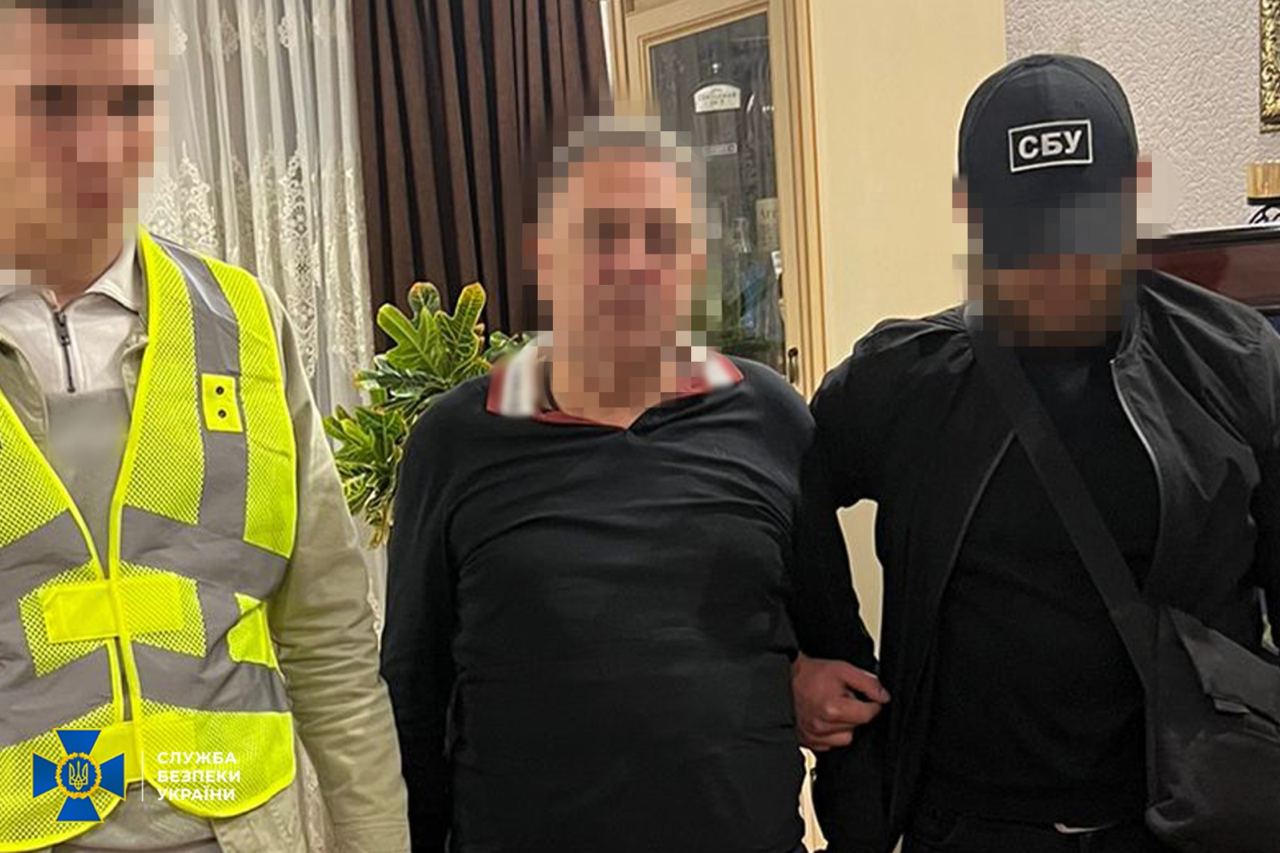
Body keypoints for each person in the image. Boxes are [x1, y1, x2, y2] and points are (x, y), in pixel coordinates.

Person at [792, 54, 1280, 853]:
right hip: (968, 827)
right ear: (971, 215)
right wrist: (819, 651)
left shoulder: (1233, 362)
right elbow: (788, 485)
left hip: (1185, 824)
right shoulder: (902, 380)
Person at [0, 1, 409, 850]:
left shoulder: (244, 322)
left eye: (126, 103)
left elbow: (328, 635)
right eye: (51, 100)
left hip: (242, 830)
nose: (95, 144)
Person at [381, 114, 841, 852]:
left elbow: (834, 651)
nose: (630, 263)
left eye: (659, 236)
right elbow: (412, 691)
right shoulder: (454, 441)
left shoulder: (771, 418)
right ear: (544, 253)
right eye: (600, 233)